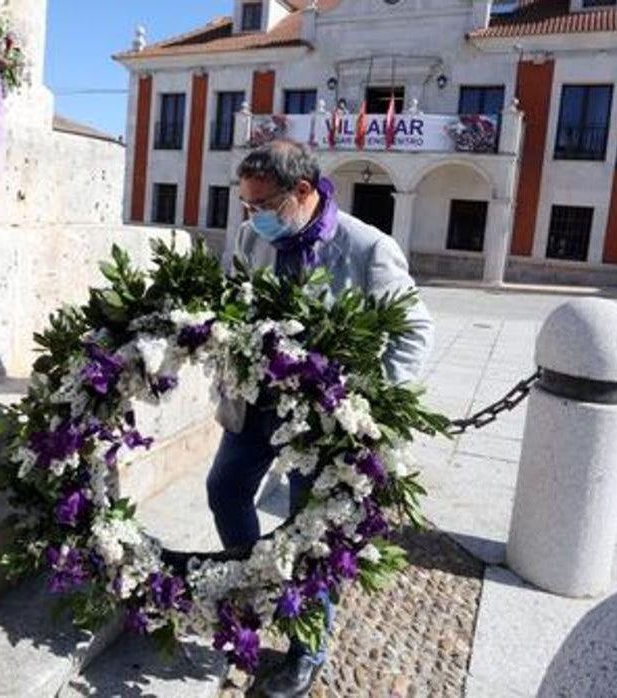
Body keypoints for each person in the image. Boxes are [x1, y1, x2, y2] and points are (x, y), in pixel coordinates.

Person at [207, 140, 434, 697]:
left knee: (314, 530)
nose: (252, 216)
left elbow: (413, 332)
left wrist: (366, 407)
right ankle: (256, 587)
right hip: (258, 405)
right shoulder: (247, 237)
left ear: (303, 192)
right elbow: (233, 305)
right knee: (225, 489)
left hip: (324, 425)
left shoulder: (367, 248)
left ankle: (310, 648)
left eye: (261, 204)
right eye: (246, 205)